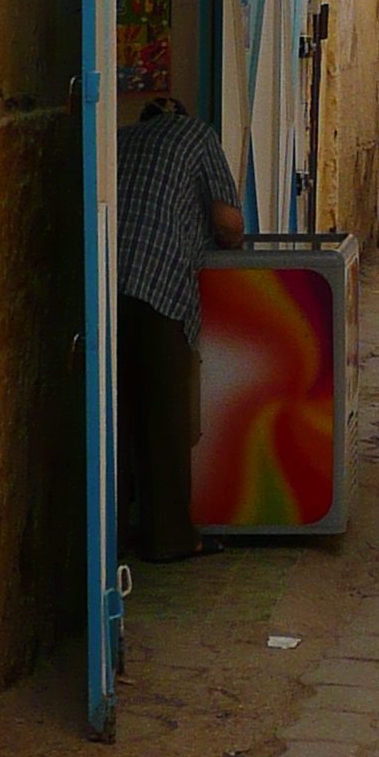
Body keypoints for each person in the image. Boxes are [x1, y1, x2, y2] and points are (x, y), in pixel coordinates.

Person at [115, 96, 244, 562]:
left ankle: (112, 536)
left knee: (116, 417)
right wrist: (232, 244)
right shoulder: (198, 135)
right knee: (166, 420)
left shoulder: (120, 138)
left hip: (104, 290)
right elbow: (227, 219)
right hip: (158, 286)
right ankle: (171, 538)